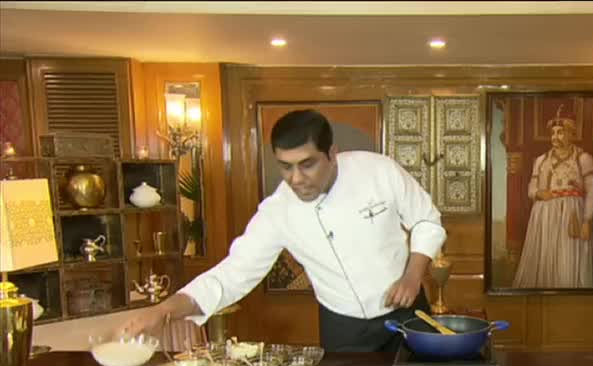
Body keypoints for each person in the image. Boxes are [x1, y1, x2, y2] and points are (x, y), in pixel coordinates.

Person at [121, 109, 447, 352]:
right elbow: (231, 275)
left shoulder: (378, 170)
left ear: (332, 154)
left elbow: (426, 220)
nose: (295, 179)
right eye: (285, 167)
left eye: (307, 164)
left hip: (408, 311)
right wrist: (164, 310)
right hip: (343, 325)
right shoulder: (277, 212)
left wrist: (412, 275)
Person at [512, 109, 593, 289]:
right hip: (545, 214)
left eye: (560, 132)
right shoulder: (541, 160)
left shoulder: (583, 158)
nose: (555, 136)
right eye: (553, 133)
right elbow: (531, 188)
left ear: (571, 133)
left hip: (572, 215)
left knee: (568, 254)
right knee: (546, 254)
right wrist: (538, 193)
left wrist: (587, 220)